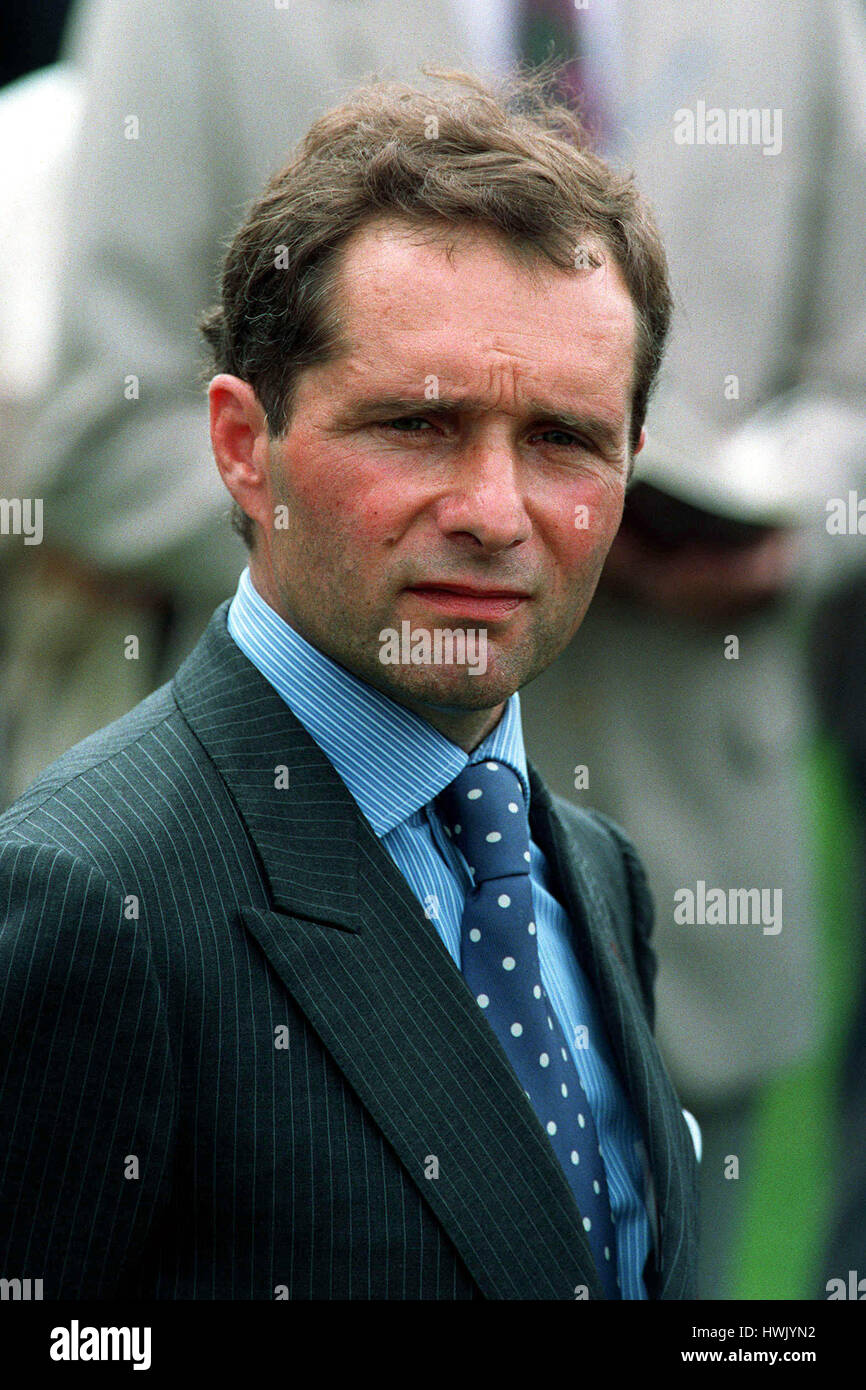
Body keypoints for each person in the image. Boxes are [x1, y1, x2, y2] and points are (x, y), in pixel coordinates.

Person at [0, 71, 698, 1301]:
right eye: (416, 428)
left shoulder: (590, 870)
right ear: (239, 446)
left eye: (561, 440)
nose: (493, 514)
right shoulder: (90, 898)